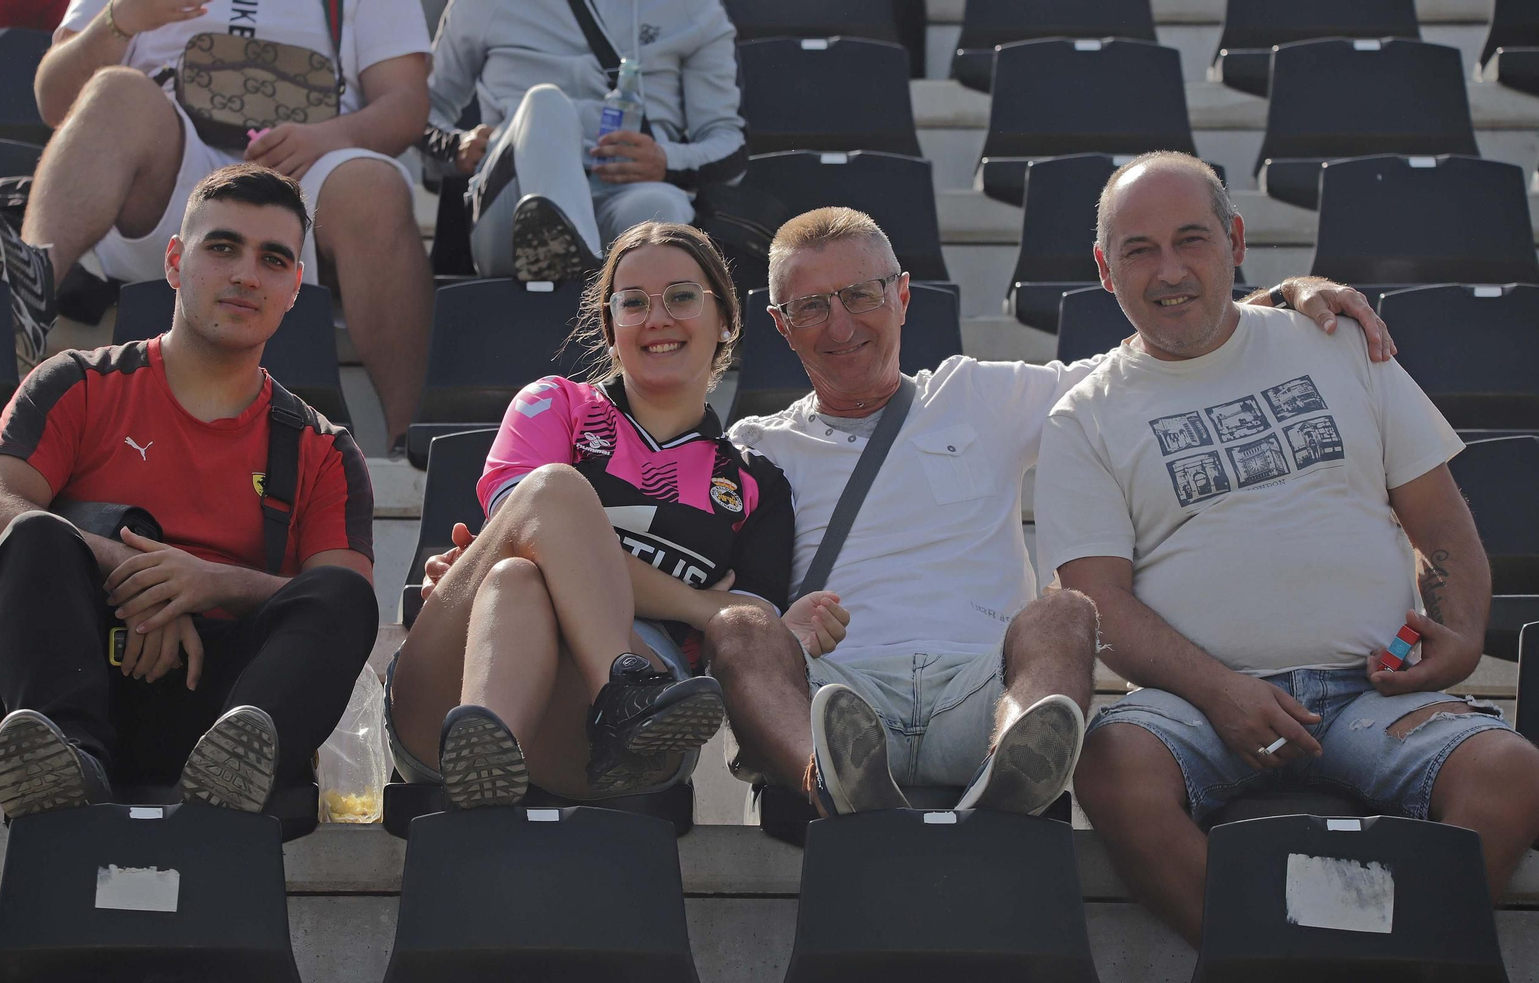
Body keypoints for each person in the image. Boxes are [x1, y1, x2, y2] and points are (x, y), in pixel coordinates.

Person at [704, 206, 1400, 819]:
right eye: (812, 306)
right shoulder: (750, 448)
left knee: (1064, 610)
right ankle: (824, 781)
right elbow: (710, 594)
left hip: (977, 690)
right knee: (739, 626)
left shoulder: (977, 392)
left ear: (903, 294)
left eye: (860, 294)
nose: (841, 324)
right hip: (837, 700)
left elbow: (1141, 366)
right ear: (781, 325)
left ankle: (1013, 767)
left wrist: (1277, 299)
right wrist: (781, 625)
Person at [1034, 151, 1539, 946]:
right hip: (1195, 710)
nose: (1169, 270)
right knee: (1112, 764)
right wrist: (1224, 691)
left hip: (1372, 695)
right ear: (1104, 268)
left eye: (1191, 239)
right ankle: (1262, 961)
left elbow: (1440, 524)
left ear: (1235, 240)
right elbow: (1101, 603)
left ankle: (1394, 964)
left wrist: (1463, 634)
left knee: (1508, 772)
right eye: (1139, 249)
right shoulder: (1082, 418)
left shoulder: (1337, 343)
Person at [0, 164, 378, 819]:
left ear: (294, 288)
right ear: (175, 262)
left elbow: (343, 603)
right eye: (222, 247)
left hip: (220, 710)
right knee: (28, 532)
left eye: (273, 259)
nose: (245, 274)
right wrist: (139, 576)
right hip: (59, 683)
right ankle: (65, 766)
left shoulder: (325, 449)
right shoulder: (77, 383)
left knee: (343, 595)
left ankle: (228, 780)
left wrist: (209, 581)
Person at [385, 222, 837, 807]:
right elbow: (531, 521)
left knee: (521, 574)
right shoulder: (553, 405)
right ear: (609, 324)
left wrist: (757, 620)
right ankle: (616, 693)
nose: (657, 318)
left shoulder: (757, 483)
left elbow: (746, 630)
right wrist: (700, 602)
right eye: (632, 303)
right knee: (545, 507)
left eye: (681, 296)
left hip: (630, 748)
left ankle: (490, 765)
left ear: (726, 318)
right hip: (447, 691)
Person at [0, 0, 432, 451]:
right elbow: (54, 98)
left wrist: (330, 135)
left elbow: (405, 103)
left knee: (376, 186)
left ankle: (412, 444)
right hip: (163, 178)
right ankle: (34, 277)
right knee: (117, 89)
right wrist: (120, 20)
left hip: (308, 169)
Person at [421, 0, 744, 281]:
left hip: (626, 192)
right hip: (512, 202)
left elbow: (730, 145)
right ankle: (591, 282)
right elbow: (419, 112)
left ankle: (581, 271)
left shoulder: (695, 6)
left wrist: (666, 162)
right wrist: (454, 146)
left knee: (662, 209)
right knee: (545, 103)